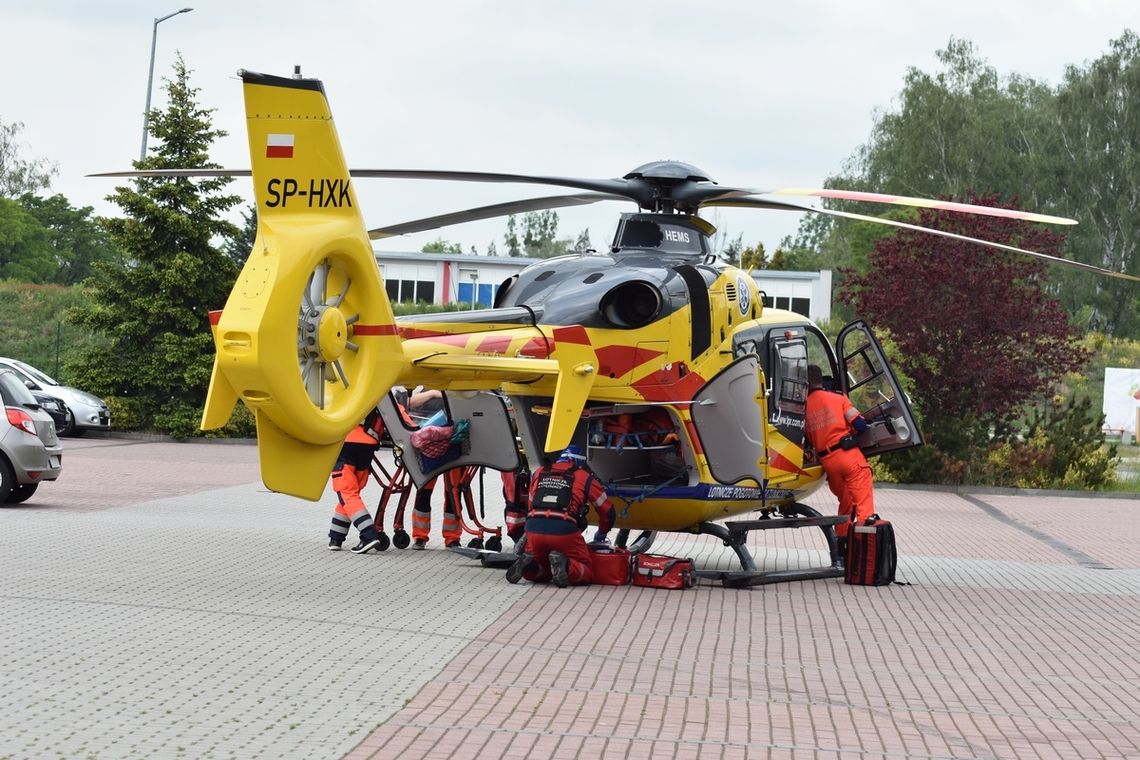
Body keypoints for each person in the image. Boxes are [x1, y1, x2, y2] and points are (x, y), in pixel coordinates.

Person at [505, 445, 616, 588]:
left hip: (534, 528)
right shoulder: (584, 477)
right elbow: (607, 511)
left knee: (543, 571)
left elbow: (530, 506)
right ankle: (566, 564)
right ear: (580, 462)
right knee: (587, 570)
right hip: (564, 530)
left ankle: (529, 565)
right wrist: (601, 533)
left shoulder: (540, 472)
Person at [803, 364, 874, 564]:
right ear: (820, 380)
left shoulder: (803, 407)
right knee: (863, 506)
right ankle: (862, 556)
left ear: (806, 383)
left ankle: (842, 550)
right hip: (848, 456)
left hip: (828, 462)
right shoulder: (837, 398)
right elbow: (860, 425)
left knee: (845, 504)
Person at [327, 407, 387, 554]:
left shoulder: (342, 386)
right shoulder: (379, 389)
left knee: (347, 493)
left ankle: (368, 535)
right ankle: (336, 537)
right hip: (369, 443)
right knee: (351, 494)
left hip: (345, 441)